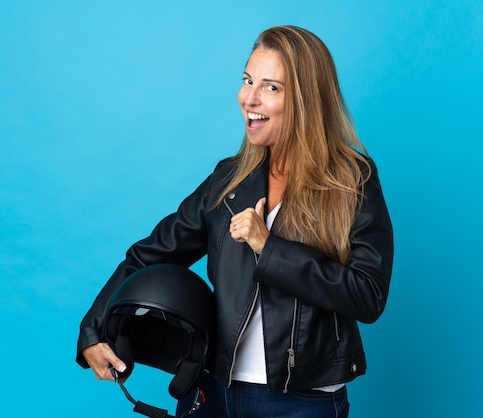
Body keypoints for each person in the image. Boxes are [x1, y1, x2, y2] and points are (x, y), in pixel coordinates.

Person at [77, 25, 394, 418]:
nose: (249, 98)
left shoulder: (352, 180)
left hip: (304, 401)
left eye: (271, 87)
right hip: (214, 389)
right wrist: (93, 329)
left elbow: (368, 295)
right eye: (247, 81)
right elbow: (147, 256)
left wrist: (269, 247)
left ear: (306, 99)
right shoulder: (228, 180)